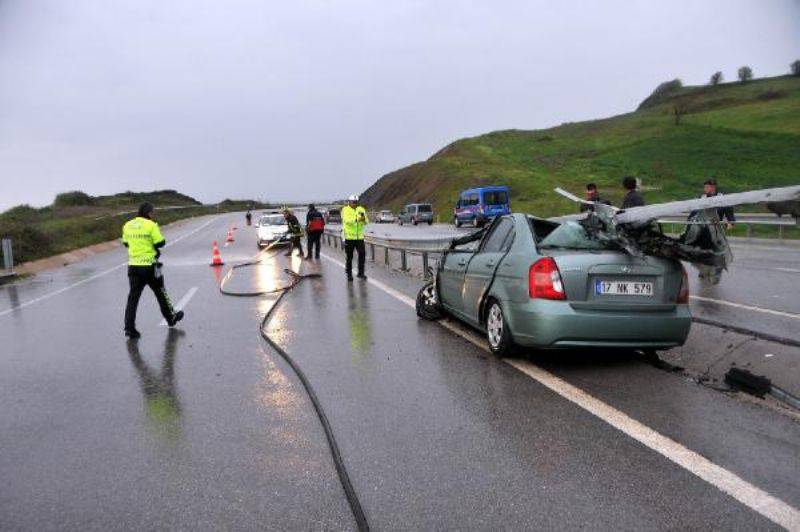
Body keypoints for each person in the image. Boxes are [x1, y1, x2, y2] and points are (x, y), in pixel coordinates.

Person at [122, 202, 183, 339]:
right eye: (152, 212)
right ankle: (171, 318)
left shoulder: (127, 225)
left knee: (133, 298)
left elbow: (126, 243)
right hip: (150, 266)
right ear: (149, 213)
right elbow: (160, 242)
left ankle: (129, 329)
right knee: (161, 292)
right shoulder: (151, 225)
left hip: (133, 267)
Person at [342, 195, 368, 281]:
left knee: (362, 254)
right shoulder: (345, 210)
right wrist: (357, 219)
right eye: (353, 202)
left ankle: (361, 273)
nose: (355, 204)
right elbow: (347, 220)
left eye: (356, 202)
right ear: (349, 202)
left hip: (359, 237)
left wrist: (363, 220)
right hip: (349, 237)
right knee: (349, 256)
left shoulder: (361, 209)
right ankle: (349, 273)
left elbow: (366, 221)